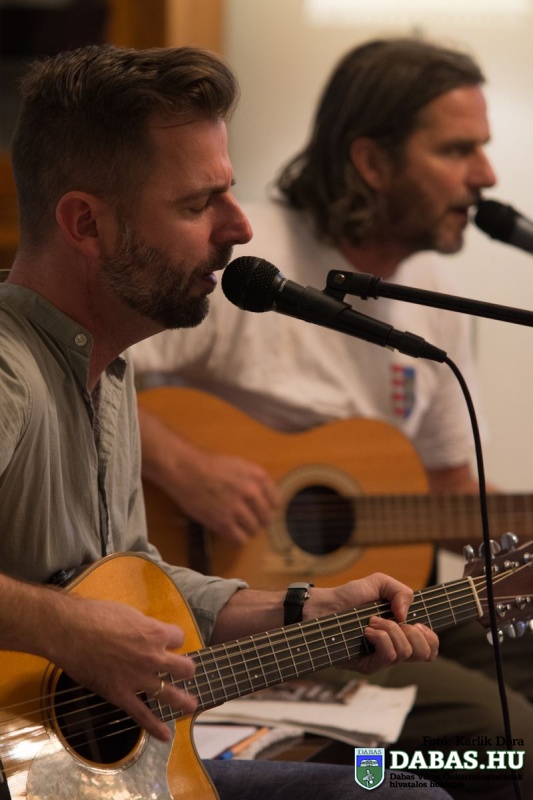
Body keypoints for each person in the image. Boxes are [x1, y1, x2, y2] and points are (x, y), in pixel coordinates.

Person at [0, 43, 450, 800]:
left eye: (229, 194)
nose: (239, 227)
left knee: (407, 792)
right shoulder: (9, 368)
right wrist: (68, 630)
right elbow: (80, 625)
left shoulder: (109, 367)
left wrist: (304, 608)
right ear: (86, 224)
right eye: (195, 204)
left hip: (98, 770)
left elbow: (139, 584)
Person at [131, 38, 533, 800]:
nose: (485, 176)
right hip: (260, 619)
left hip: (387, 604)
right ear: (371, 162)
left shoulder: (432, 296)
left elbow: (451, 490)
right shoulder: (243, 259)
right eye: (457, 150)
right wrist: (186, 466)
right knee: (507, 740)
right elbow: (99, 381)